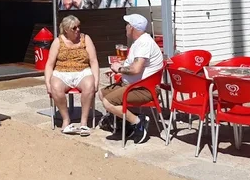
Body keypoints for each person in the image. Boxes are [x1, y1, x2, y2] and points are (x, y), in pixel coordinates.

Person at [98, 14, 165, 144]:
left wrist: (119, 69)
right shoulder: (139, 42)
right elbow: (133, 66)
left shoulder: (144, 43)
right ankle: (124, 124)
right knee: (102, 93)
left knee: (108, 102)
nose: (126, 27)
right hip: (133, 84)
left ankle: (139, 122)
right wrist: (119, 70)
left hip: (145, 89)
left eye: (127, 25)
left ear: (132, 28)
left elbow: (136, 69)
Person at [44, 15, 99, 136]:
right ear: (66, 30)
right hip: (62, 72)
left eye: (78, 27)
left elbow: (93, 61)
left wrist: (96, 81)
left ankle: (84, 122)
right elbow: (49, 64)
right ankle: (66, 120)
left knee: (89, 86)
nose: (77, 30)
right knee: (55, 87)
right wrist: (47, 82)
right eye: (74, 28)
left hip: (82, 70)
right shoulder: (58, 41)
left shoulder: (85, 39)